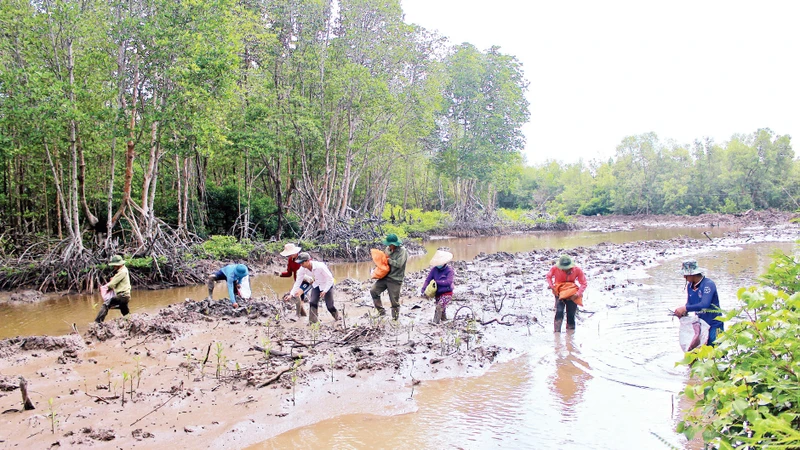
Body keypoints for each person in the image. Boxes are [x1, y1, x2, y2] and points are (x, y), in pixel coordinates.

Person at [673, 260, 723, 345]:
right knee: (700, 350)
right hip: (701, 324)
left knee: (715, 349)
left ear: (693, 274)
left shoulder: (708, 284)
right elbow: (689, 304)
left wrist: (685, 308)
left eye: (686, 275)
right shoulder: (690, 286)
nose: (684, 277)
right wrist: (683, 312)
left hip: (714, 324)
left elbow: (704, 304)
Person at [290, 252, 339, 325]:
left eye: (302, 263)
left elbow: (330, 279)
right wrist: (291, 294)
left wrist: (325, 291)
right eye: (300, 263)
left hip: (327, 285)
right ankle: (313, 322)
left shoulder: (320, 266)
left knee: (330, 306)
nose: (301, 265)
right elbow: (298, 282)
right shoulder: (302, 269)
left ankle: (337, 317)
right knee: (312, 302)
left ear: (308, 261)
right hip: (317, 285)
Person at [370, 233, 408, 320]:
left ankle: (395, 319)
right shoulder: (387, 249)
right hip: (385, 277)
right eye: (388, 245)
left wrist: (388, 260)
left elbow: (399, 264)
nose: (389, 246)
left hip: (395, 279)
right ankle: (381, 312)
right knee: (374, 291)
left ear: (395, 244)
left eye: (390, 245)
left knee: (394, 301)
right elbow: (383, 261)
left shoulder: (402, 252)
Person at [546, 255, 588, 333]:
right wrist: (552, 287)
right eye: (563, 269)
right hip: (559, 291)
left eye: (568, 269)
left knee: (571, 314)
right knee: (559, 311)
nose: (566, 271)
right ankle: (557, 332)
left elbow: (584, 283)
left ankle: (570, 334)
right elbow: (548, 276)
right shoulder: (555, 268)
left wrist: (578, 294)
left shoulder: (577, 270)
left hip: (572, 293)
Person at [420, 250, 455, 324]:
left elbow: (449, 282)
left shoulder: (449, 271)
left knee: (439, 306)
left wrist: (437, 282)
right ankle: (444, 320)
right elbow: (428, 280)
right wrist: (423, 289)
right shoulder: (434, 270)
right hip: (438, 293)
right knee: (442, 308)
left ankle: (435, 323)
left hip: (447, 292)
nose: (438, 265)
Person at [95, 255, 131, 323]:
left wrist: (105, 287)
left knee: (106, 304)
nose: (114, 267)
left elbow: (111, 285)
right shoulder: (124, 270)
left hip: (122, 295)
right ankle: (128, 320)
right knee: (123, 308)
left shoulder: (122, 272)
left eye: (114, 265)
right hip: (126, 296)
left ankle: (98, 323)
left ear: (118, 265)